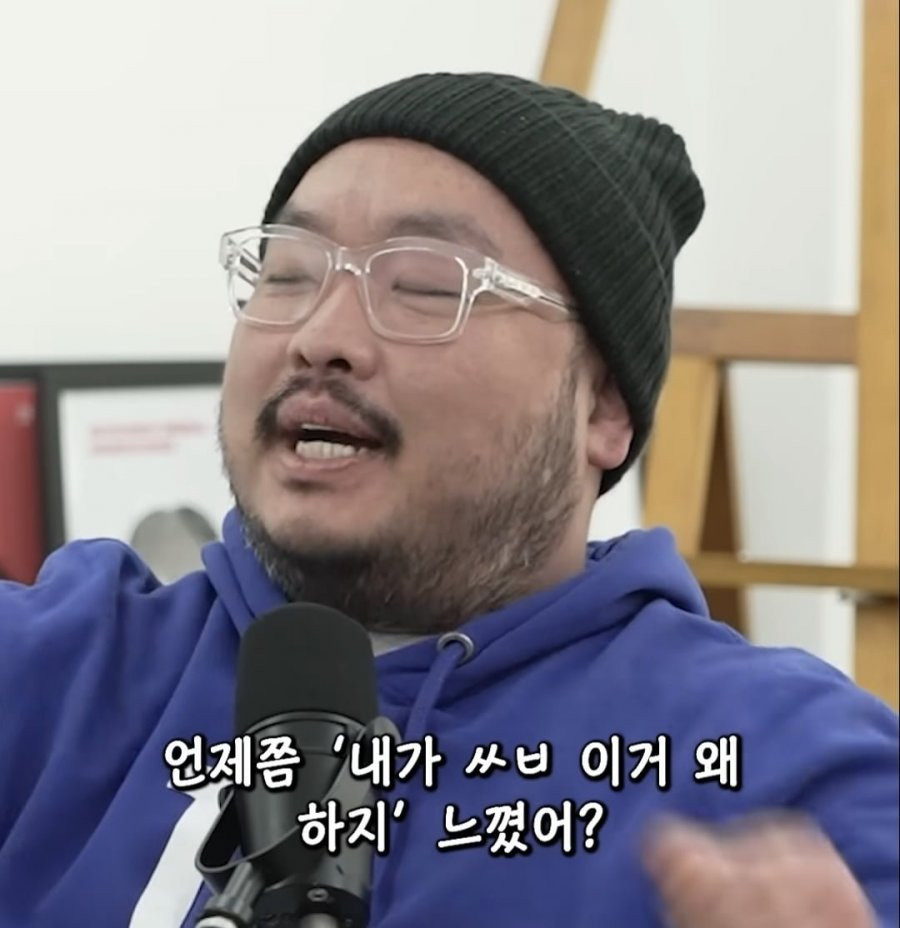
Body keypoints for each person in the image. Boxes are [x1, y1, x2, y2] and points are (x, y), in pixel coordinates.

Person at [0, 71, 896, 928]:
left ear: (604, 408)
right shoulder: (63, 670)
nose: (320, 336)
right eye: (288, 273)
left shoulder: (784, 773)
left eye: (427, 286)